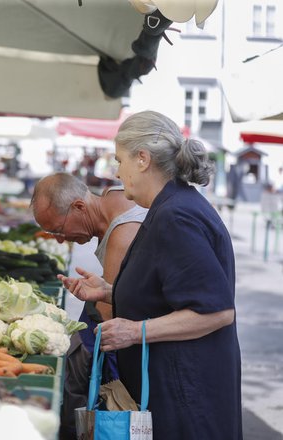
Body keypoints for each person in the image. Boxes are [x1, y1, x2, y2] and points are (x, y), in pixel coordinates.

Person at [61, 111, 241, 439]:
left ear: (142, 159)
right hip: (176, 393)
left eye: (119, 160)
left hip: (185, 401)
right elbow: (167, 293)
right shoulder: (171, 206)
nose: (117, 171)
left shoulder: (177, 216)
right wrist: (109, 292)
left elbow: (216, 311)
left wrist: (135, 331)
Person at [31, 172, 147, 437]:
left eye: (58, 230)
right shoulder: (111, 197)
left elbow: (115, 313)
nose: (60, 240)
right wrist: (105, 288)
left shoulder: (122, 234)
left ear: (80, 207)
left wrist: (105, 296)